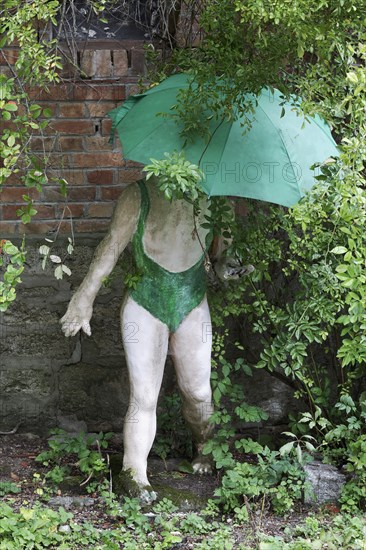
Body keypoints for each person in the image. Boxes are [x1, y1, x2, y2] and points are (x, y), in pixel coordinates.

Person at [60, 177, 252, 503]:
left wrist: (230, 269)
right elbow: (111, 245)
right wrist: (84, 297)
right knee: (144, 395)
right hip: (145, 302)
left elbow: (220, 258)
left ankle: (204, 447)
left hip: (191, 301)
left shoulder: (217, 199)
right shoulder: (137, 195)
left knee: (199, 392)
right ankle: (134, 473)